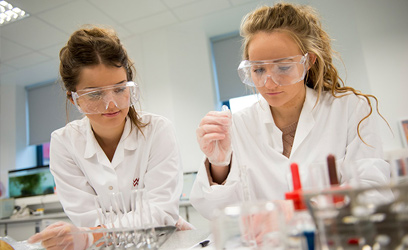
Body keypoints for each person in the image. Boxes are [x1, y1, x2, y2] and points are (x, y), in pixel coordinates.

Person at [190, 3, 392, 220]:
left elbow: (374, 193)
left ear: (308, 61)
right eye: (258, 69)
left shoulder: (349, 109)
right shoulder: (237, 125)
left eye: (283, 67)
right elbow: (214, 213)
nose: (269, 83)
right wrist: (219, 165)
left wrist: (304, 209)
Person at [28, 26, 191, 249]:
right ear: (73, 99)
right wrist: (98, 232)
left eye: (119, 88)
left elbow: (161, 211)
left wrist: (94, 234)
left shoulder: (157, 130)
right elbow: (87, 220)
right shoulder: (64, 143)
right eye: (94, 94)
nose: (111, 104)